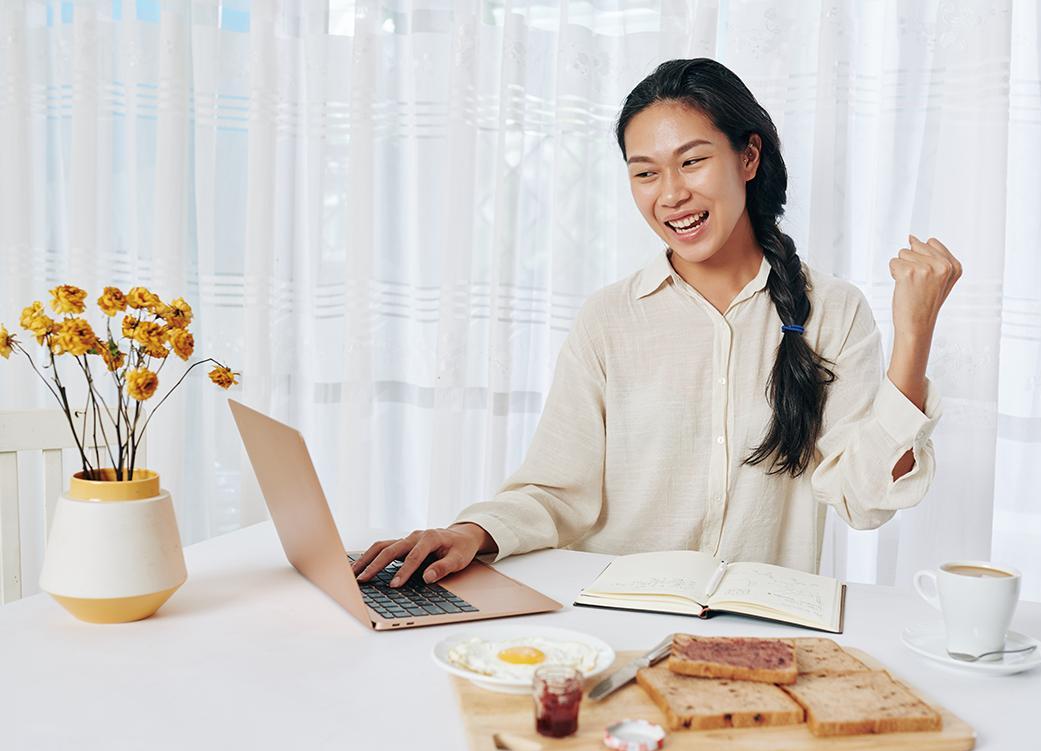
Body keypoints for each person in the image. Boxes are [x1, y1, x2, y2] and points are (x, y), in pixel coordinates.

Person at [354, 58, 961, 589]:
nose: (669, 194)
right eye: (645, 172)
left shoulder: (832, 310)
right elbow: (556, 492)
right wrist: (472, 532)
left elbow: (866, 498)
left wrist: (914, 336)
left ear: (748, 157)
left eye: (691, 162)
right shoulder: (611, 319)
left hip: (759, 636)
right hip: (618, 623)